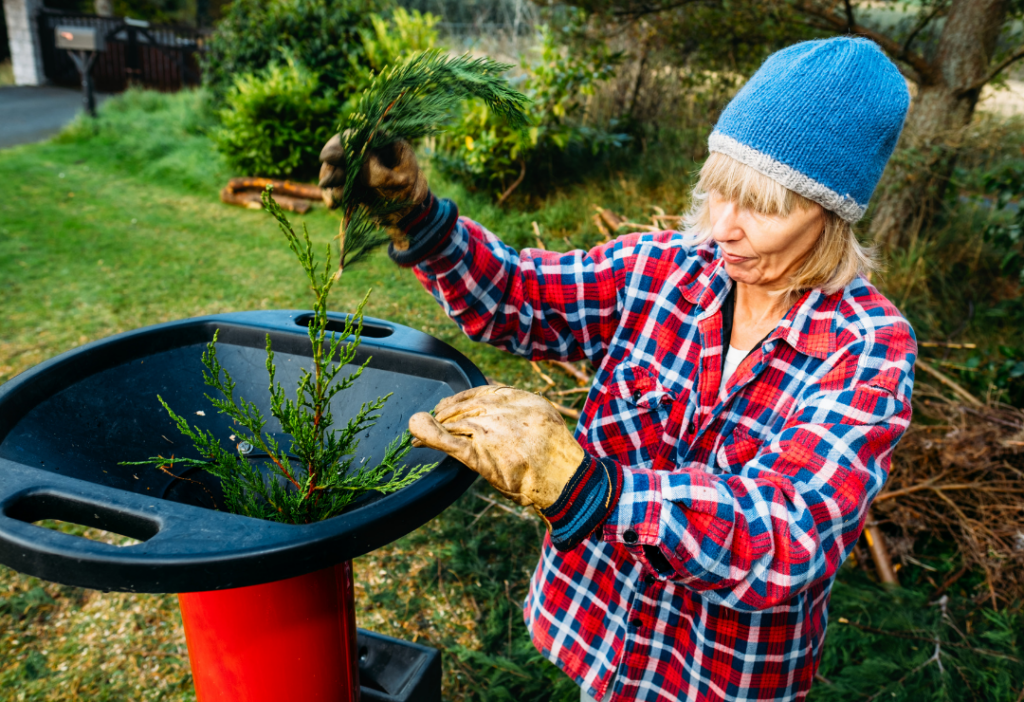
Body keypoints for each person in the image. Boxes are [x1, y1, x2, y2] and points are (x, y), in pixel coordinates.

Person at [319, 36, 915, 702]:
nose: (723, 227)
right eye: (718, 191)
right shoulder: (663, 270)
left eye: (765, 207)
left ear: (833, 213)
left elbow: (789, 533)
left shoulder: (867, 348)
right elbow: (521, 298)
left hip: (717, 676)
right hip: (599, 631)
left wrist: (594, 491)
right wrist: (420, 220)